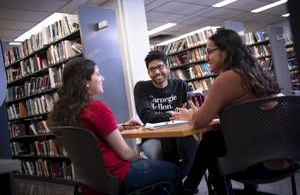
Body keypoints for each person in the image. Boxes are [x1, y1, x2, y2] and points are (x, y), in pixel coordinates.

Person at [170, 29, 295, 194]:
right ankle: (190, 186)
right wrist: (203, 113)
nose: (206, 58)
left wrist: (192, 115)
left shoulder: (227, 78)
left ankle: (189, 187)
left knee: (212, 147)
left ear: (225, 52)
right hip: (286, 155)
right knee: (213, 139)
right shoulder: (257, 73)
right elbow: (242, 113)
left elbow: (199, 123)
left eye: (209, 52)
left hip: (260, 164)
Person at [48, 58, 181, 195]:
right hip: (117, 176)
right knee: (173, 170)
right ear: (85, 82)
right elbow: (126, 154)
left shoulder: (67, 112)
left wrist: (122, 126)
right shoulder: (96, 108)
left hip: (90, 182)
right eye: (98, 74)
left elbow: (93, 132)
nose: (103, 78)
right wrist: (143, 159)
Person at [134, 50, 199, 178]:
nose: (157, 72)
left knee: (195, 151)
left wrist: (187, 113)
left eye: (160, 67)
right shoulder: (141, 88)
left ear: (167, 68)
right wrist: (174, 114)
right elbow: (147, 117)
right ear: (148, 73)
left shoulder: (181, 85)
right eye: (152, 69)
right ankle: (175, 184)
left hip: (182, 134)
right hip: (153, 137)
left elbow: (193, 110)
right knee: (159, 155)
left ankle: (176, 184)